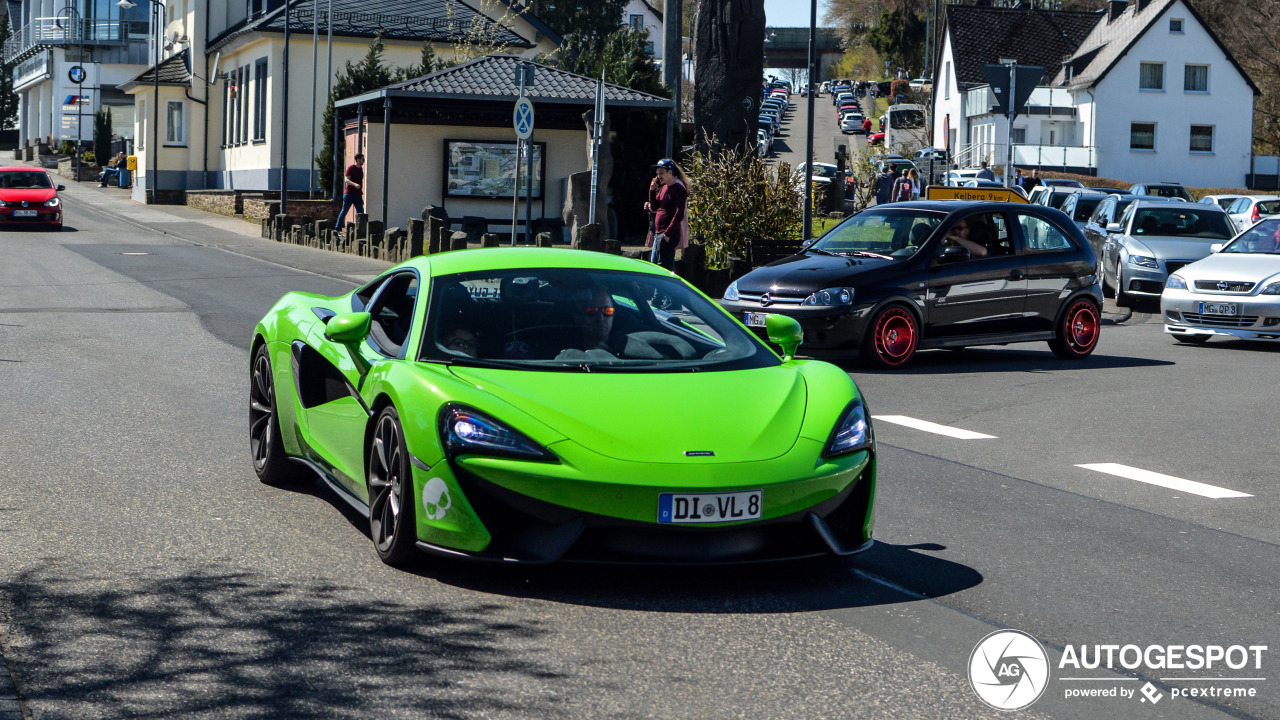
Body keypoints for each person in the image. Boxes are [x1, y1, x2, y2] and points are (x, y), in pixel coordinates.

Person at [650, 158, 688, 270]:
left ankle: (667, 287)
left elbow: (679, 213)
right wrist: (652, 191)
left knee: (665, 267)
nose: (658, 176)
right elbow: (654, 207)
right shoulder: (663, 188)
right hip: (659, 232)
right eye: (657, 173)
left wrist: (668, 233)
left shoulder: (679, 189)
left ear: (670, 172)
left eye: (661, 173)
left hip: (667, 234)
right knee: (656, 265)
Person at [336, 153, 365, 238]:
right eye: (362, 159)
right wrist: (355, 184)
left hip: (358, 195)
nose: (363, 161)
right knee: (344, 211)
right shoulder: (351, 168)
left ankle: (361, 231)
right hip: (349, 194)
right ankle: (337, 229)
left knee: (361, 213)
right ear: (358, 159)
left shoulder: (361, 169)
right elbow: (347, 180)